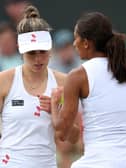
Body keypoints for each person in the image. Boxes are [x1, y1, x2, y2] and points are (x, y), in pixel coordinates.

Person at [51, 12, 126, 168]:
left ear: (86, 43)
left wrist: (55, 106)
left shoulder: (77, 76)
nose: (74, 44)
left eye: (76, 38)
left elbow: (62, 133)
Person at [0, 5, 79, 168]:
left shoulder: (64, 82)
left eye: (42, 52)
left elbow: (73, 137)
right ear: (21, 51)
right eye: (31, 53)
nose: (38, 59)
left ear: (50, 50)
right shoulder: (4, 80)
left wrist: (57, 113)